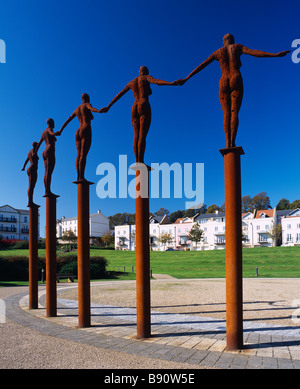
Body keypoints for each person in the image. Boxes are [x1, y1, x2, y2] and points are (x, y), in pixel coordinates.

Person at [175, 34, 290, 148]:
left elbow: (202, 65)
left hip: (224, 80)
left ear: (224, 41)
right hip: (236, 77)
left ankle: (227, 143)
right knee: (234, 112)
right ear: (232, 40)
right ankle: (232, 142)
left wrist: (187, 78)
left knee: (226, 114)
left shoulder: (218, 52)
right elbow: (256, 53)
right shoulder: (238, 47)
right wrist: (274, 55)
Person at [100, 66, 178, 163]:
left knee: (136, 135)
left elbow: (119, 94)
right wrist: (171, 83)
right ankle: (141, 161)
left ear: (139, 71)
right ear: (146, 72)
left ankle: (137, 161)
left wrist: (108, 106)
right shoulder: (146, 77)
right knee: (142, 135)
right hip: (143, 104)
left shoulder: (131, 82)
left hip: (134, 107)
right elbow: (157, 81)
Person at [56, 93, 102, 181]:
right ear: (87, 98)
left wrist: (61, 130)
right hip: (85, 128)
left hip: (78, 131)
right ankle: (82, 176)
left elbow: (68, 119)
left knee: (78, 154)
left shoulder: (77, 109)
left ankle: (78, 176)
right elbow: (92, 109)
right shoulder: (87, 105)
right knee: (83, 154)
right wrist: (99, 110)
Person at [36, 118, 57, 196]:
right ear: (51, 123)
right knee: (49, 172)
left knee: (46, 172)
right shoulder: (49, 129)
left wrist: (35, 152)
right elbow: (51, 133)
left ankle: (47, 190)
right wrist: (55, 134)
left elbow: (39, 143)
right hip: (50, 150)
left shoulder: (43, 132)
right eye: (54, 122)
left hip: (44, 152)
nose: (54, 124)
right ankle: (48, 191)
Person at [22, 142, 39, 206]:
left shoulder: (29, 152)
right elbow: (34, 154)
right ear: (35, 145)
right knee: (31, 186)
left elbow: (26, 160)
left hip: (30, 169)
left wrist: (23, 167)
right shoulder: (33, 151)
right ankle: (30, 201)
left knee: (31, 186)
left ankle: (30, 201)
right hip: (32, 169)